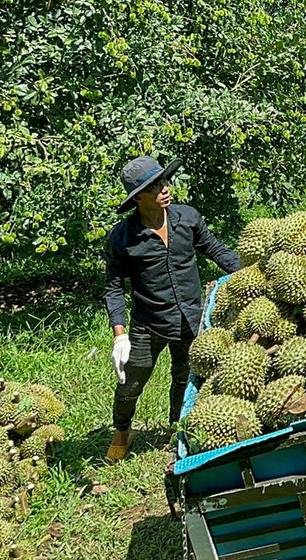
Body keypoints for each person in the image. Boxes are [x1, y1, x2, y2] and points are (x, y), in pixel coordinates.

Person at [102, 155, 240, 461]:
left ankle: (177, 429)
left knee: (185, 377)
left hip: (191, 318)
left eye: (164, 180)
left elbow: (216, 250)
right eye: (155, 186)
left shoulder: (187, 218)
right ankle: (122, 430)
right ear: (138, 197)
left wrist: (248, 271)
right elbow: (114, 286)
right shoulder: (122, 238)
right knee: (130, 382)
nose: (165, 188)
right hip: (148, 324)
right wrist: (119, 334)